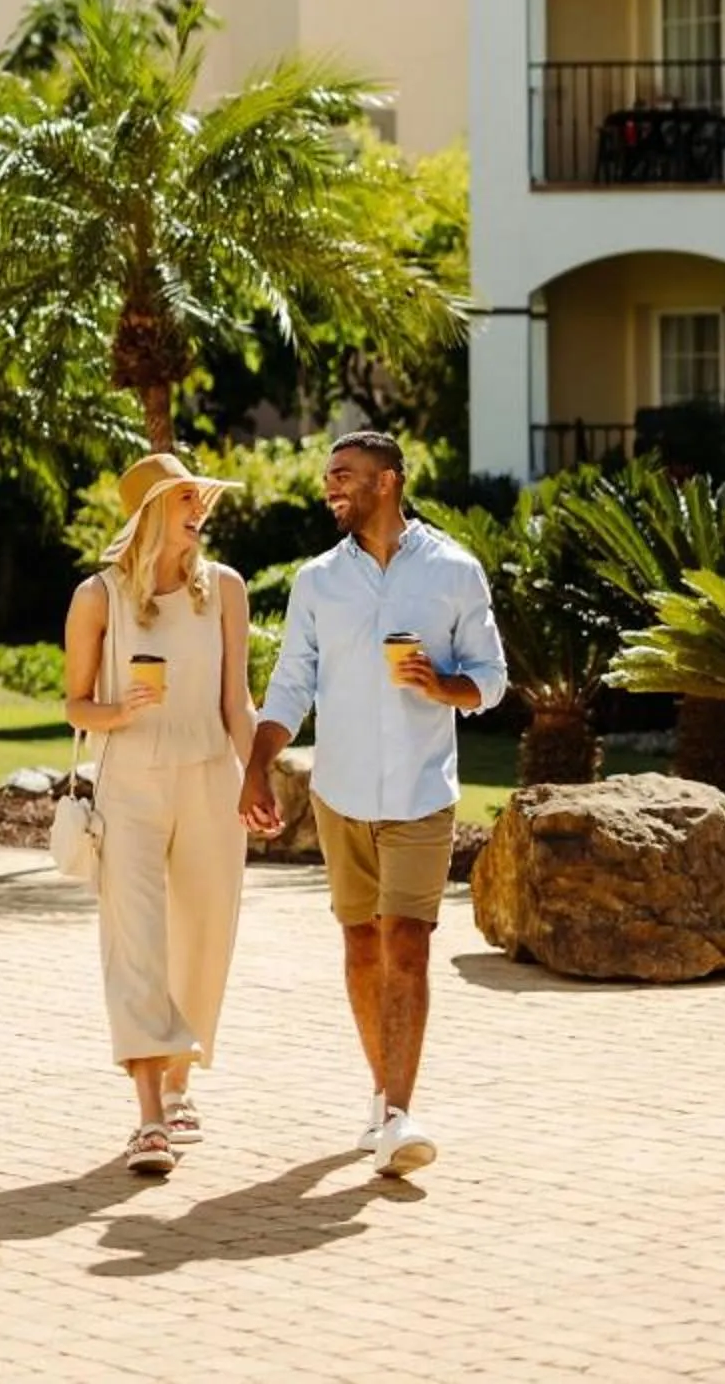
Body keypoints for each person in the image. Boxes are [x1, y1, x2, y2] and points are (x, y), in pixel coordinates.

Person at [238, 428, 506, 1179]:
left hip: (422, 790)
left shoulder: (453, 571)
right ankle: (383, 1092)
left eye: (345, 474)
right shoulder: (317, 581)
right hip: (342, 792)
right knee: (361, 943)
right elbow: (290, 685)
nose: (331, 486)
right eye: (329, 476)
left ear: (387, 481)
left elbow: (492, 678)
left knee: (408, 943)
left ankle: (397, 1116)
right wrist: (256, 769)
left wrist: (442, 685)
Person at [63, 451, 255, 1180]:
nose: (198, 509)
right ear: (151, 514)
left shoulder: (225, 589)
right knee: (137, 943)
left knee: (204, 937)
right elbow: (75, 704)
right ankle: (148, 1117)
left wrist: (259, 779)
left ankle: (179, 1086)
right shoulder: (98, 598)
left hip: (211, 780)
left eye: (199, 497)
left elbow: (236, 703)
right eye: (184, 498)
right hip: (130, 787)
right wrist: (120, 710)